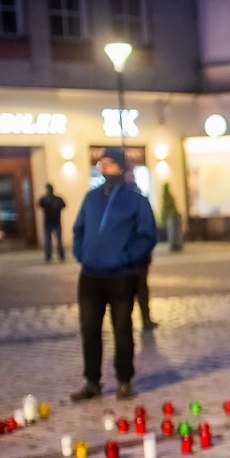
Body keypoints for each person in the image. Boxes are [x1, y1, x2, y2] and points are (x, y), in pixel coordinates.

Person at [70, 147, 157, 401]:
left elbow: (147, 235)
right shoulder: (91, 198)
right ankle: (92, 382)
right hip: (90, 276)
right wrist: (81, 253)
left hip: (121, 276)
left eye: (108, 162)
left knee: (122, 329)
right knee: (89, 329)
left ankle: (124, 380)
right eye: (101, 163)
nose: (103, 166)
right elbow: (79, 229)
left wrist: (126, 257)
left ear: (120, 167)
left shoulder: (136, 201)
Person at [39, 183, 67, 261]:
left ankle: (50, 255)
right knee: (57, 239)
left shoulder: (45, 199)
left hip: (50, 221)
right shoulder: (56, 199)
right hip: (55, 221)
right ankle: (59, 255)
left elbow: (40, 205)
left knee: (50, 240)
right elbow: (64, 206)